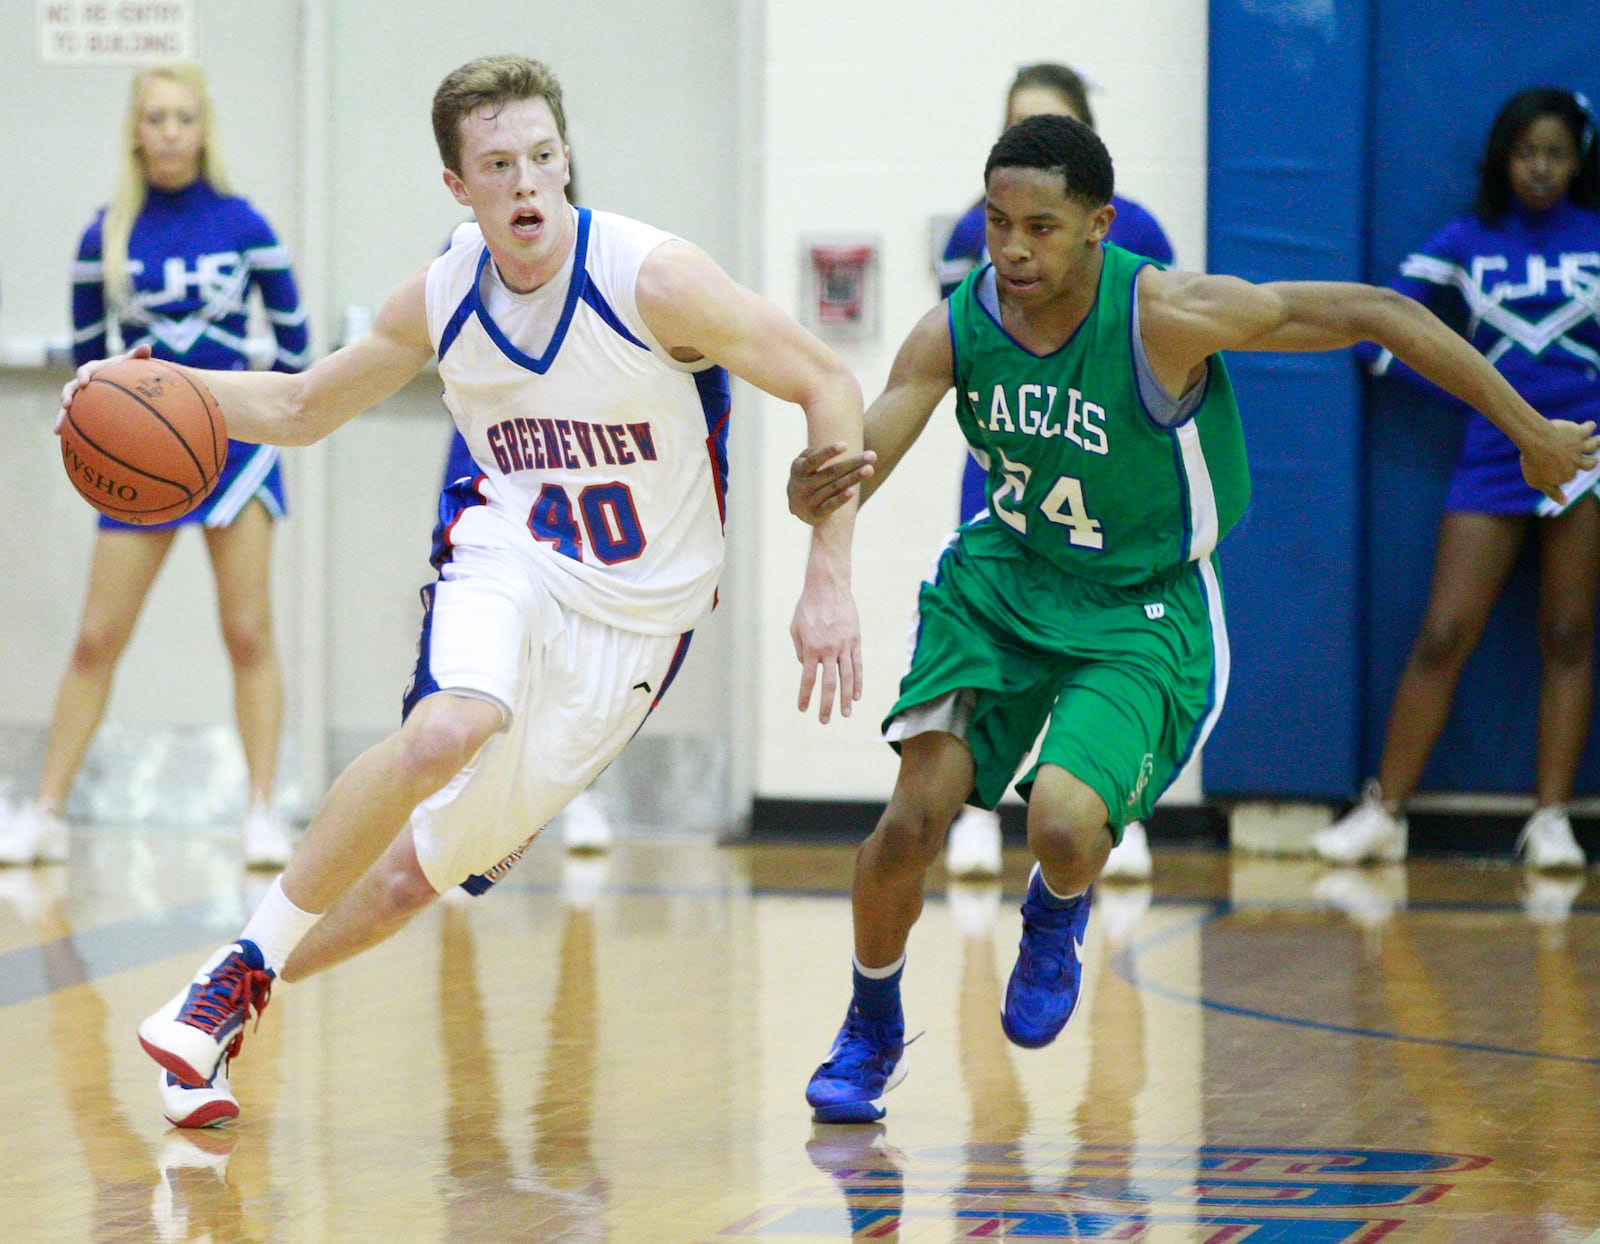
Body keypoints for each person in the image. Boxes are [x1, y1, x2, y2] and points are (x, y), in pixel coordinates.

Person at [70, 55, 862, 1127]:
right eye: (498, 164)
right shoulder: (445, 294)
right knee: (448, 727)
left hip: (640, 615)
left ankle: (220, 1002)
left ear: (566, 158)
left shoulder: (653, 278)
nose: (527, 182)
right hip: (512, 551)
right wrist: (141, 386)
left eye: (542, 156)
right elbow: (303, 407)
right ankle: (229, 986)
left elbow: (828, 380)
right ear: (459, 187)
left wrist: (827, 576)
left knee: (406, 881)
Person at [788, 113, 1597, 1124]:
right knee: (911, 821)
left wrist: (1529, 433)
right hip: (1003, 585)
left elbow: (1381, 312)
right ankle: (870, 1020)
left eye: (1038, 225)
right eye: (996, 222)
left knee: (1062, 824)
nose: (1010, 248)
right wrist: (817, 490)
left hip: (1141, 604)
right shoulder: (957, 324)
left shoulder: (1164, 314)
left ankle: (1056, 905)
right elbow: (864, 458)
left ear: (1097, 224)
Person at [0, 61, 308, 871]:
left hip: (237, 457)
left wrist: (237, 409)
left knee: (248, 633)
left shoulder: (246, 225)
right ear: (135, 131)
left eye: (184, 117)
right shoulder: (104, 233)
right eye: (156, 117)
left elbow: (299, 349)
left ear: (204, 129)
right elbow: (82, 363)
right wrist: (120, 417)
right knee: (98, 638)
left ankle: (261, 812)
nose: (170, 131)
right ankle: (45, 812)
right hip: (144, 461)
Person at [1312, 87, 1600, 872]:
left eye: (1556, 153)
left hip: (1586, 455)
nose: (1540, 168)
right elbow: (1379, 336)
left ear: (1578, 160)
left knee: (1572, 633)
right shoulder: (1464, 241)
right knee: (1443, 632)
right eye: (1526, 152)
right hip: (1494, 452)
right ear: (1503, 158)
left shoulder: (1595, 236)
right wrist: (1478, 402)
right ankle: (1384, 812)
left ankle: (1549, 821)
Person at [938, 62, 1174, 883]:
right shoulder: (973, 237)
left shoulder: (1138, 234)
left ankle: (1118, 815)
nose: (1016, 246)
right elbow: (970, 350)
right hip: (1010, 480)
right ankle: (974, 816)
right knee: (997, 657)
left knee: (1110, 672)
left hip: (1110, 486)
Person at [441, 425, 615, 851]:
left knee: (589, 620)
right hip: (494, 436)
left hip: (583, 434)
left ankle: (579, 791)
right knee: (482, 624)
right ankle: (458, 786)